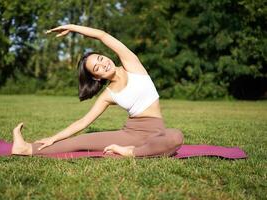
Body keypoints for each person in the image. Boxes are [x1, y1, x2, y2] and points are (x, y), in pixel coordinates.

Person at [11, 24, 184, 157]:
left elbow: (102, 35)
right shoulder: (108, 94)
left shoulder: (132, 64)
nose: (103, 64)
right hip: (131, 134)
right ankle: (26, 148)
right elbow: (82, 122)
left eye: (101, 59)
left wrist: (72, 27)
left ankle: (131, 152)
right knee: (79, 141)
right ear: (96, 77)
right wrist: (53, 138)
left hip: (157, 132)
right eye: (97, 68)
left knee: (176, 136)